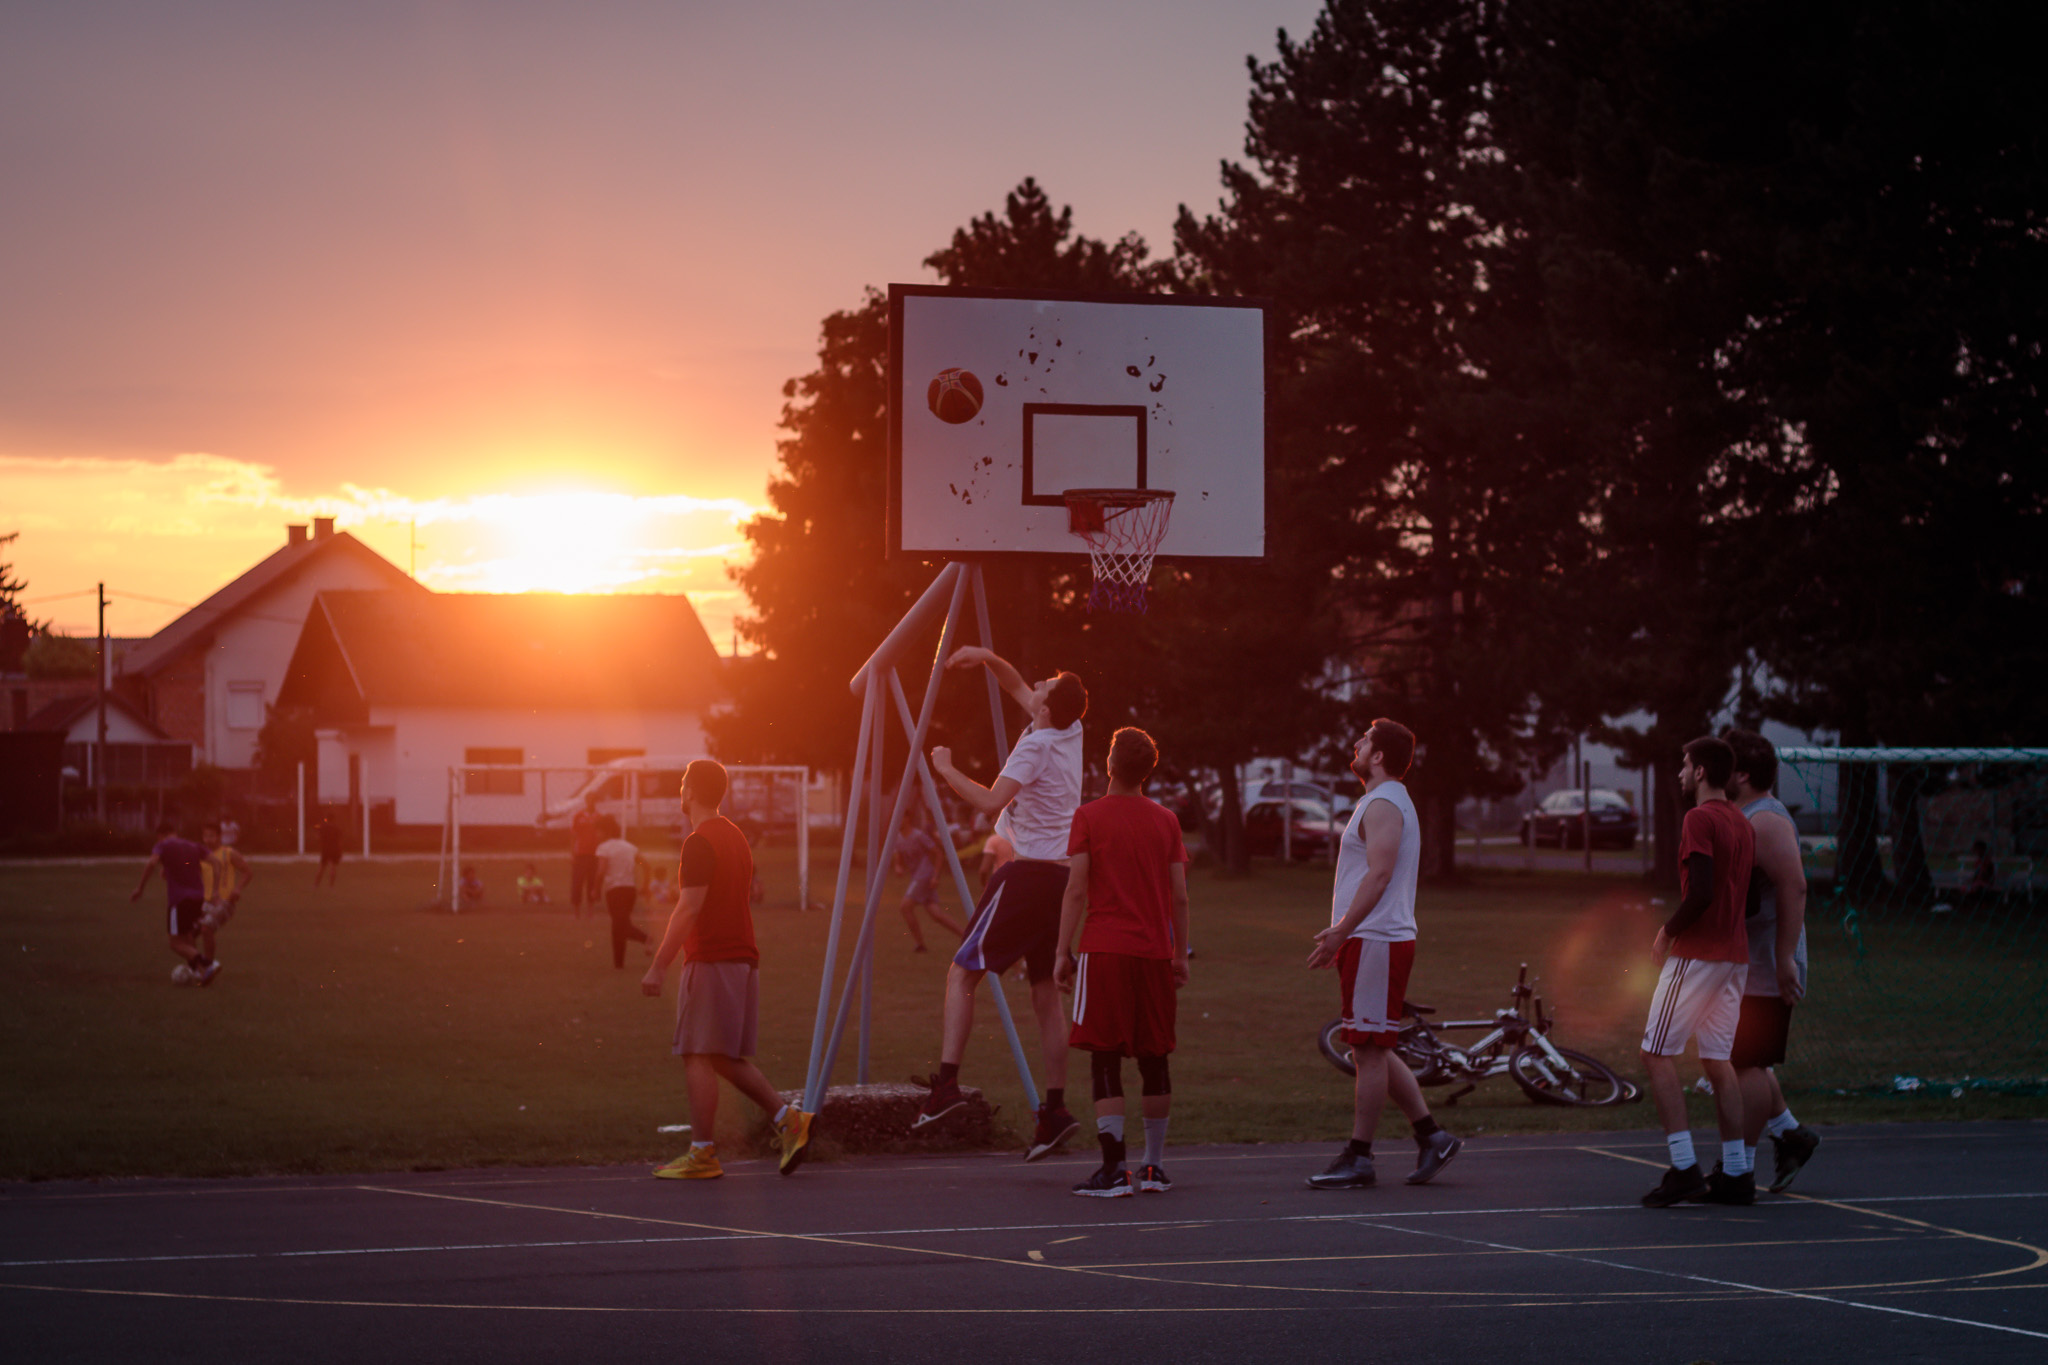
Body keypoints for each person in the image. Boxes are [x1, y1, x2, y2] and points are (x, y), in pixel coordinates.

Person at [916, 646, 1088, 1161]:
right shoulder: (1070, 730)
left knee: (962, 972)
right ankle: (1055, 1109)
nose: (1034, 684)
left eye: (1045, 684)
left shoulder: (1034, 749)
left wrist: (945, 767)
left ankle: (946, 1085)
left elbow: (991, 801)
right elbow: (1017, 683)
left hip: (1028, 874)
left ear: (1044, 710)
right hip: (1059, 879)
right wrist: (984, 656)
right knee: (1043, 994)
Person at [1305, 720, 1462, 1190]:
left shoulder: (1386, 802)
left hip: (1376, 938)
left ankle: (1359, 1156)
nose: (1356, 743)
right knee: (1371, 1043)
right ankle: (1431, 1136)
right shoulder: (1381, 800)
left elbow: (1379, 875)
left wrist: (1341, 932)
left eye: (1365, 740)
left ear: (1377, 757)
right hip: (1369, 939)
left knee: (1369, 1052)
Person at [642, 760, 814, 1180]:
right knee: (722, 1056)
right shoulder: (736, 836)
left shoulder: (699, 842)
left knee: (697, 1054)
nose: (679, 792)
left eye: (682, 784)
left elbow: (689, 907)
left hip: (713, 957)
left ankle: (702, 1154)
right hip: (740, 957)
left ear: (692, 792)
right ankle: (788, 1120)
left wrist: (658, 966)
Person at [1054, 727, 1190, 1198]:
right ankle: (1153, 1168)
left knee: (1105, 1055)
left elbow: (1075, 889)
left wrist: (1060, 950)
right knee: (1155, 1057)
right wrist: (1178, 954)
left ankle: (1114, 1169)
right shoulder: (1166, 820)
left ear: (1110, 763)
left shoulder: (1088, 816)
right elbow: (1180, 897)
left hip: (1105, 948)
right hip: (1154, 951)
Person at [1639, 736, 1758, 1207]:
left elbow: (1702, 890)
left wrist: (1667, 932)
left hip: (1700, 953)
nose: (1681, 774)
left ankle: (1685, 1166)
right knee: (1717, 1060)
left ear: (1703, 772)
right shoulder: (1742, 824)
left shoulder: (1699, 818)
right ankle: (1737, 1173)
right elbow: (1749, 899)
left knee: (1655, 1052)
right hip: (1735, 957)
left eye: (1685, 765)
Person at [1724, 728, 1821, 1193]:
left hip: (1767, 963)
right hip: (1748, 962)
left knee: (1744, 1064)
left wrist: (1785, 959)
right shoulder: (1743, 814)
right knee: (1748, 1060)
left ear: (1741, 774)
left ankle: (1737, 1167)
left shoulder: (1765, 820)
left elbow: (1795, 887)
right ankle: (1790, 1134)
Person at [131, 819, 219, 985]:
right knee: (186, 936)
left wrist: (140, 888)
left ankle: (208, 964)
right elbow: (216, 862)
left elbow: (151, 863)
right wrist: (215, 889)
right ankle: (197, 972)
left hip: (179, 899)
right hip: (197, 898)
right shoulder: (193, 845)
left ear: (160, 836)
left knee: (175, 943)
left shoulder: (163, 845)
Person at [896, 805, 967, 951]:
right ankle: (967, 937)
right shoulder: (897, 838)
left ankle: (920, 944)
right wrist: (898, 866)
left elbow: (938, 853)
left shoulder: (918, 835)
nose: (896, 821)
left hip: (924, 875)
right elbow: (898, 857)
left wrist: (936, 876)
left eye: (899, 818)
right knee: (936, 914)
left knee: (905, 906)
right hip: (916, 877)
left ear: (907, 819)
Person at [596, 814, 650, 968]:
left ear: (606, 831)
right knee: (619, 925)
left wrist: (595, 889)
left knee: (619, 926)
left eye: (598, 831)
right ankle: (618, 964)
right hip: (629, 891)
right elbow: (645, 865)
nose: (596, 835)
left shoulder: (603, 848)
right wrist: (645, 885)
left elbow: (601, 871)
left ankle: (645, 939)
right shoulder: (629, 847)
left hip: (615, 891)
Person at [197, 820, 252, 965]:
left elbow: (247, 872)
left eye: (212, 836)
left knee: (206, 928)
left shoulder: (229, 853)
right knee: (188, 933)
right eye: (205, 836)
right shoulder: (201, 855)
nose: (208, 840)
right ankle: (194, 965)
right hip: (205, 902)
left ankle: (208, 966)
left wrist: (237, 889)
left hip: (225, 902)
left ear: (219, 836)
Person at [570, 793, 604, 919]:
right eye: (589, 800)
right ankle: (576, 912)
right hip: (580, 854)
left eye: (593, 800)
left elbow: (602, 836)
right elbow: (573, 836)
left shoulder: (599, 817)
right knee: (577, 882)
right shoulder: (578, 816)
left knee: (592, 882)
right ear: (586, 801)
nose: (591, 802)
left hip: (594, 854)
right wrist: (572, 853)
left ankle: (590, 912)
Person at [314, 813, 342, 887]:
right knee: (333, 867)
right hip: (334, 849)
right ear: (334, 819)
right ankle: (331, 885)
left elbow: (317, 837)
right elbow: (339, 840)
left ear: (327, 818)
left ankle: (316, 884)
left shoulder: (323, 827)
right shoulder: (336, 828)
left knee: (322, 867)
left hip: (325, 849)